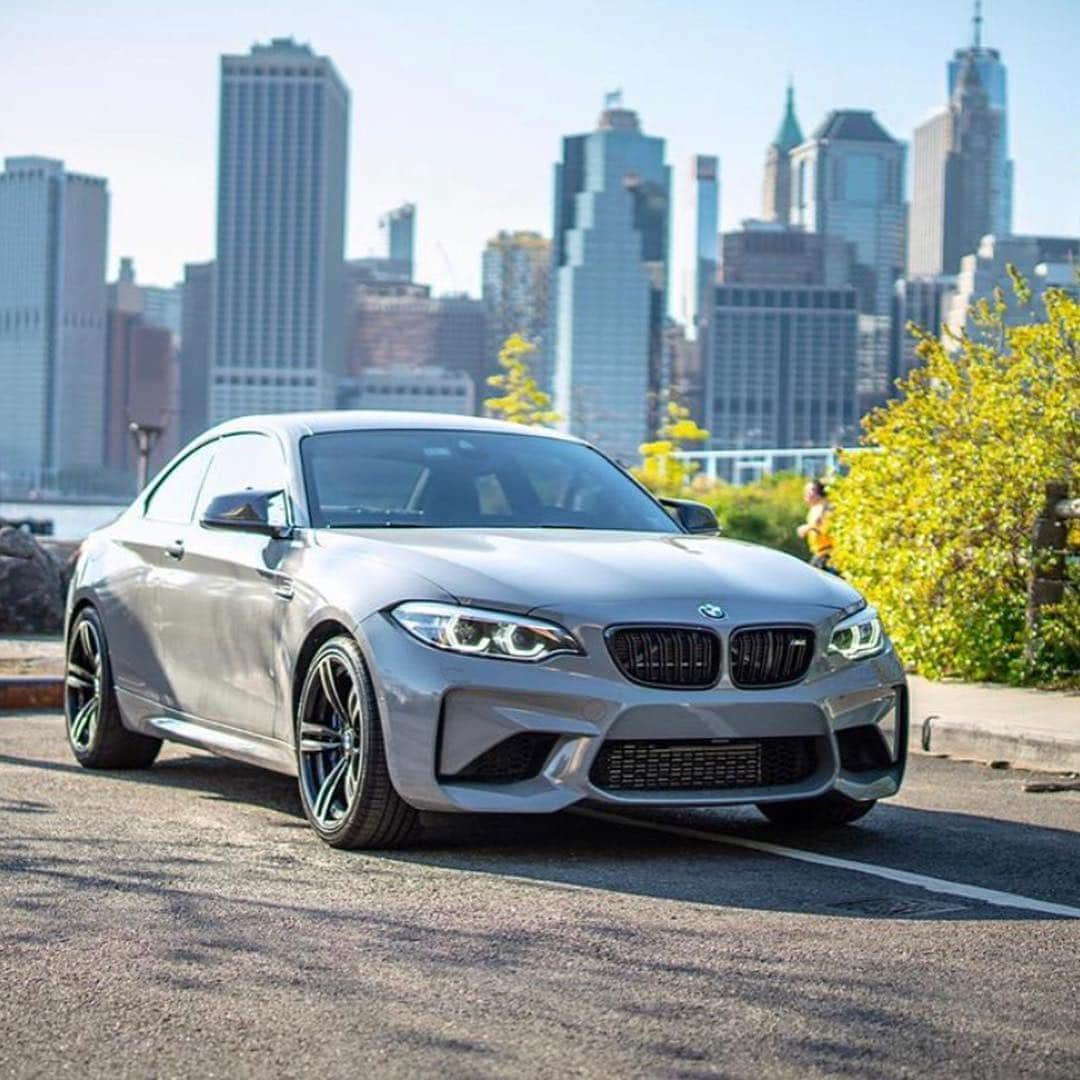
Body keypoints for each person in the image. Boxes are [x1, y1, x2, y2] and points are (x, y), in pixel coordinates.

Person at [797, 479, 835, 572]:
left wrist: (809, 528)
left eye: (810, 491)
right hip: (819, 553)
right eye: (805, 491)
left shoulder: (826, 508)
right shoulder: (815, 509)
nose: (806, 494)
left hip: (827, 555)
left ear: (819, 492)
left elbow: (827, 529)